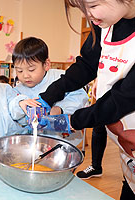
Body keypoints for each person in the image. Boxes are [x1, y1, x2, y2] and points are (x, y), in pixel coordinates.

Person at [38, 0, 135, 198]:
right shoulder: (106, 24)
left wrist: (73, 121)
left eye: (91, 6)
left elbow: (122, 98)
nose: (85, 15)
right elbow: (86, 66)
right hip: (129, 154)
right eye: (81, 9)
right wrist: (48, 97)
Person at [12, 37, 88, 116]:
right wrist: (20, 104)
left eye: (31, 70)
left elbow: (80, 95)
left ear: (46, 64)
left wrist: (60, 108)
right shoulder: (17, 90)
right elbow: (12, 110)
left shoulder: (62, 78)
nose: (25, 76)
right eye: (19, 71)